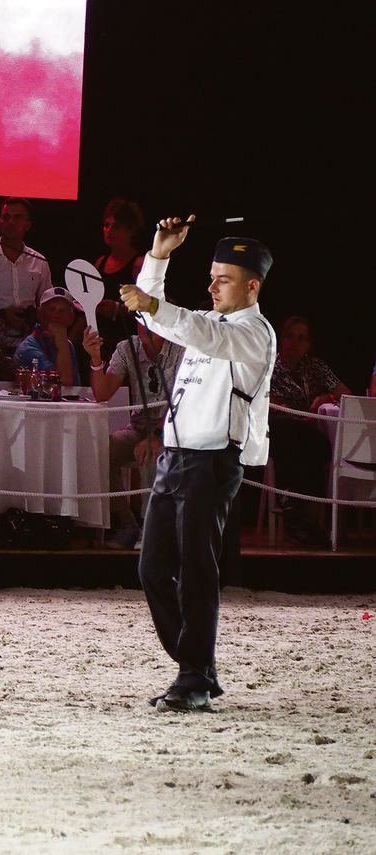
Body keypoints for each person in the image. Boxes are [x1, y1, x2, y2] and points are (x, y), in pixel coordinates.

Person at [120, 219, 276, 713]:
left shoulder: (254, 333)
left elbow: (197, 331)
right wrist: (158, 256)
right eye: (210, 277)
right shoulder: (210, 323)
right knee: (152, 569)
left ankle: (193, 676)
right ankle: (198, 668)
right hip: (175, 459)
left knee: (196, 572)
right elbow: (156, 317)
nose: (211, 287)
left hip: (212, 463)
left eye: (223, 279)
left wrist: (155, 307)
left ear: (252, 286)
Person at [83, 322, 185, 548]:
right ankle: (128, 524)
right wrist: (95, 358)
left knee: (151, 453)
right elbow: (102, 393)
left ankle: (152, 530)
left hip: (175, 428)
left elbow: (184, 401)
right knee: (102, 450)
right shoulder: (127, 348)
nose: (145, 323)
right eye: (140, 316)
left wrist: (157, 434)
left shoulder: (183, 349)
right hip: (139, 427)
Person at [267, 315, 350, 547]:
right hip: (276, 427)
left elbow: (346, 393)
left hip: (305, 430)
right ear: (281, 339)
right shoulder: (268, 364)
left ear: (309, 344)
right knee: (295, 434)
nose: (295, 343)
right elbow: (257, 395)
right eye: (290, 336)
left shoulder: (315, 366)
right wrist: (284, 409)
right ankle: (296, 512)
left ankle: (298, 512)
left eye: (301, 338)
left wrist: (324, 397)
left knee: (320, 445)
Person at [93, 197, 147, 357]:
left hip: (127, 346)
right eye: (106, 225)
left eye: (116, 226)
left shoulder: (139, 264)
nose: (109, 230)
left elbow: (150, 309)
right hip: (98, 342)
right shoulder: (100, 262)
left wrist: (118, 309)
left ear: (131, 230)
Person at [13, 286, 81, 386]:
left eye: (63, 310)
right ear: (39, 313)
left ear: (71, 318)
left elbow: (74, 388)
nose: (56, 315)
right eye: (52, 309)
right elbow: (62, 384)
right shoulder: (28, 348)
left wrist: (62, 341)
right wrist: (62, 342)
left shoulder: (67, 344)